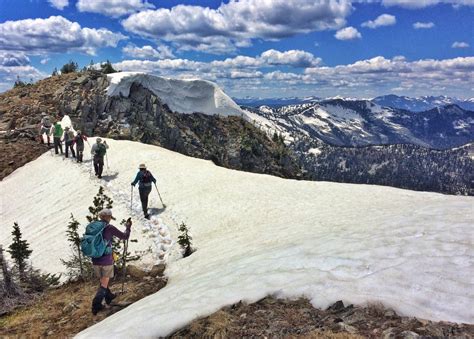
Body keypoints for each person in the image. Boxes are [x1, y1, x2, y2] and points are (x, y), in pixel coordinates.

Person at [91, 209, 132, 315]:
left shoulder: (93, 227)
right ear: (108, 217)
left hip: (95, 259)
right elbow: (125, 236)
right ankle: (96, 305)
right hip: (106, 260)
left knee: (103, 280)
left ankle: (109, 296)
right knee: (104, 284)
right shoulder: (109, 228)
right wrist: (128, 227)